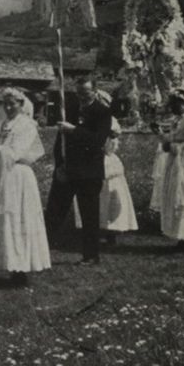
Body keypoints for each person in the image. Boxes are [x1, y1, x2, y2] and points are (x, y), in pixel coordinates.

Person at [0, 88, 51, 286]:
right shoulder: (3, 123)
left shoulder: (27, 126)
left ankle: (19, 266)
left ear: (21, 105)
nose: (7, 107)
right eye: (5, 104)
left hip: (17, 174)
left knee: (15, 215)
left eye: (12, 104)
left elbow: (13, 154)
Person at [45, 76, 112, 265]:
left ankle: (91, 256)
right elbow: (60, 143)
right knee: (53, 213)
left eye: (86, 93)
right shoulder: (69, 110)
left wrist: (74, 130)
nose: (82, 96)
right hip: (66, 171)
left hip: (89, 173)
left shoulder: (102, 112)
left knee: (89, 216)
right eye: (79, 93)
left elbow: (98, 141)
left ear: (95, 92)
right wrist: (59, 166)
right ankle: (40, 251)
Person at [73, 115, 138, 243]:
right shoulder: (86, 120)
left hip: (105, 160)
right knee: (95, 197)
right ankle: (95, 229)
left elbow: (112, 140)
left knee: (110, 196)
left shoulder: (110, 121)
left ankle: (111, 230)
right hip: (92, 159)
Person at [158, 88, 184, 251]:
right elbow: (173, 137)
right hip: (176, 162)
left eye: (177, 104)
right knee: (176, 195)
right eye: (172, 104)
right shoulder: (177, 120)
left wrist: (173, 146)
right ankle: (182, 236)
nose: (173, 107)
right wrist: (164, 140)